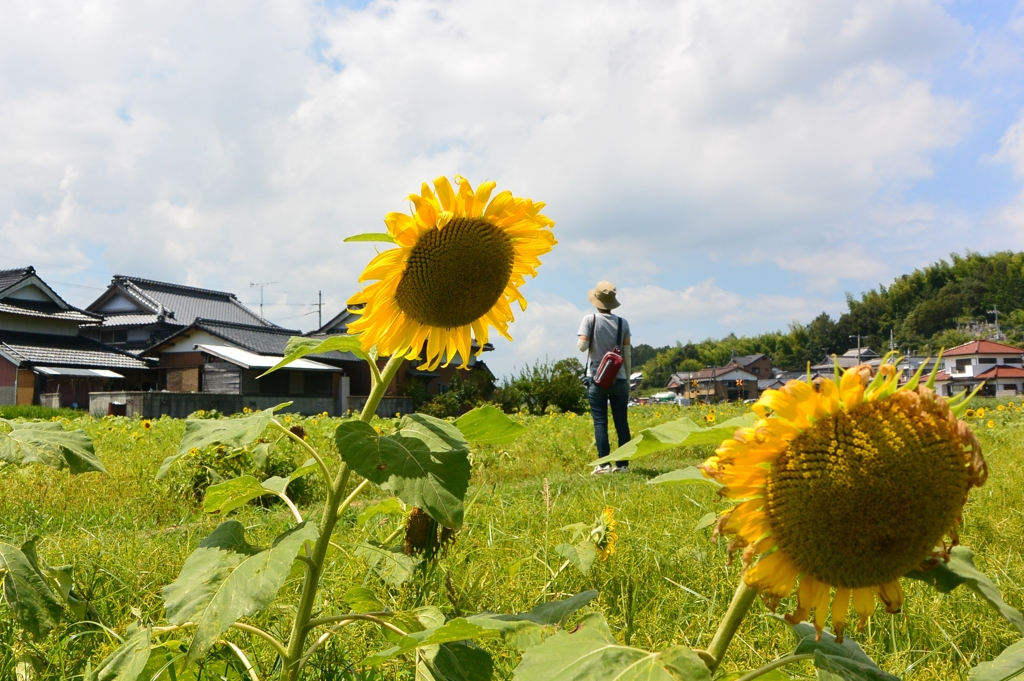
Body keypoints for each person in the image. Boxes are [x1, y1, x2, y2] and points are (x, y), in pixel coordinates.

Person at [578, 281, 632, 474]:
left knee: (600, 422)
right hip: (620, 379)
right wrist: (627, 379)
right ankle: (623, 465)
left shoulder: (589, 320)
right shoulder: (622, 323)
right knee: (621, 422)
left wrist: (587, 339)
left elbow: (582, 347)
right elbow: (627, 353)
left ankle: (604, 465)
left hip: (597, 379)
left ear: (596, 300)